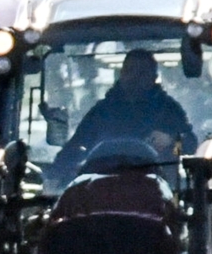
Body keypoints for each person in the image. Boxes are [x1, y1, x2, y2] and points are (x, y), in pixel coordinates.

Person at [52, 49, 198, 175]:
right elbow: (76, 147)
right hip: (105, 189)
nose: (134, 77)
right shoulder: (102, 111)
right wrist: (54, 175)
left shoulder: (169, 110)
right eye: (129, 71)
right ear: (121, 74)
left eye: (141, 73)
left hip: (158, 188)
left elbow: (189, 145)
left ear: (153, 78)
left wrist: (172, 141)